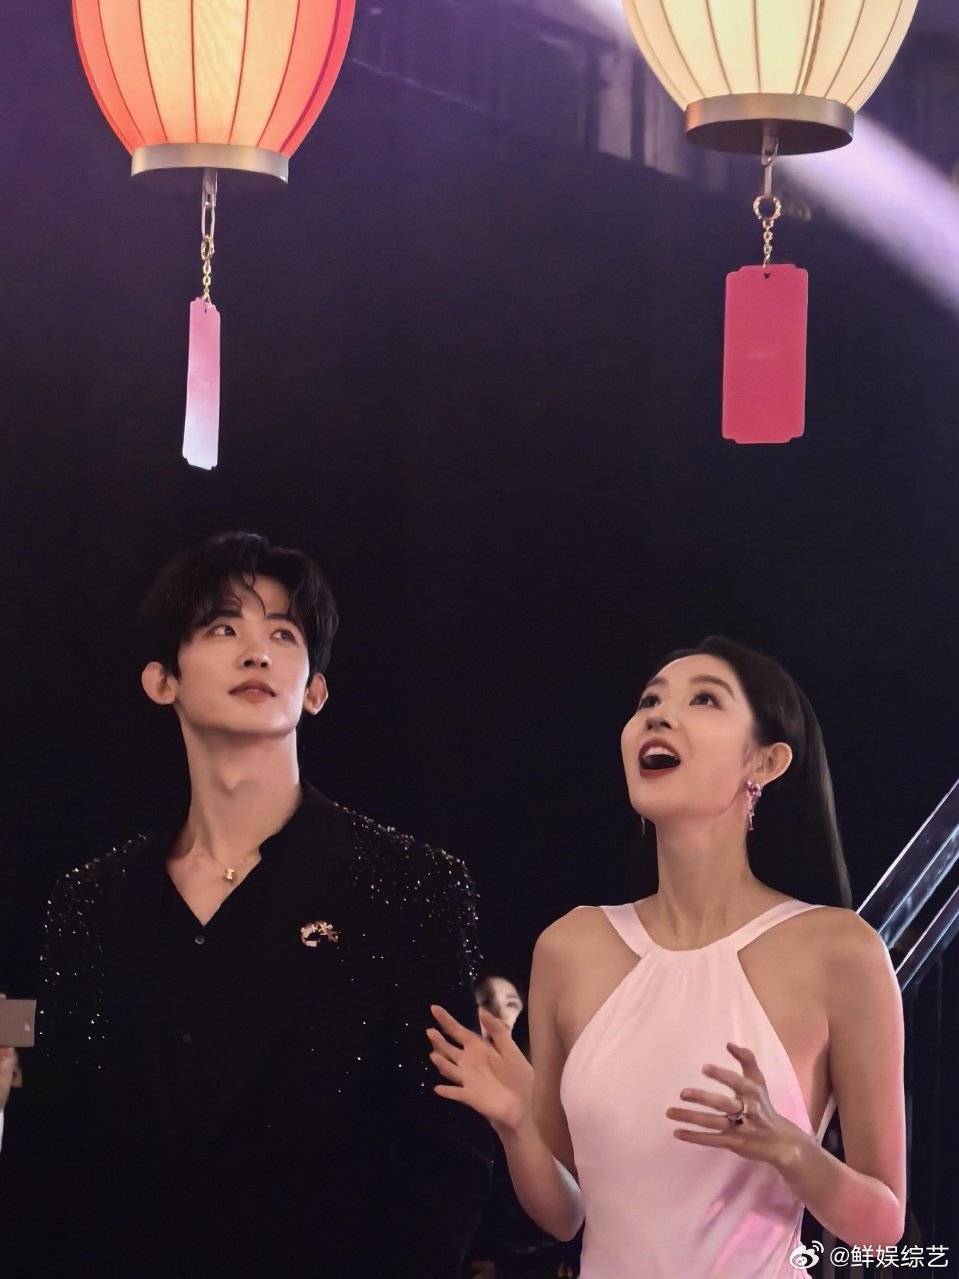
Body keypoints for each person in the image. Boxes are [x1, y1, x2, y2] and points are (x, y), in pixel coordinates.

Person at [8, 531, 490, 1279]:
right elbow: (49, 1141)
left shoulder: (411, 884)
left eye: (283, 633)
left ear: (316, 689)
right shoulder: (89, 902)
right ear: (161, 680)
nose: (257, 652)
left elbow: (445, 1153)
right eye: (222, 627)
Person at [429, 636, 906, 1278]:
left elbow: (883, 1227)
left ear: (765, 762)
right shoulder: (570, 946)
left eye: (704, 700)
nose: (658, 715)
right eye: (649, 701)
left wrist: (791, 1150)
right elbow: (565, 1214)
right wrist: (516, 1123)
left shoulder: (839, 950)